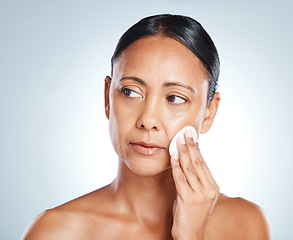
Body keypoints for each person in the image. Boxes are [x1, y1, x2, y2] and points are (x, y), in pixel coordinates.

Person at [22, 14, 271, 239]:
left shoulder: (244, 225)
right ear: (107, 97)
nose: (148, 120)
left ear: (209, 113)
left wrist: (191, 236)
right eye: (130, 92)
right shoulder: (55, 232)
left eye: (174, 98)